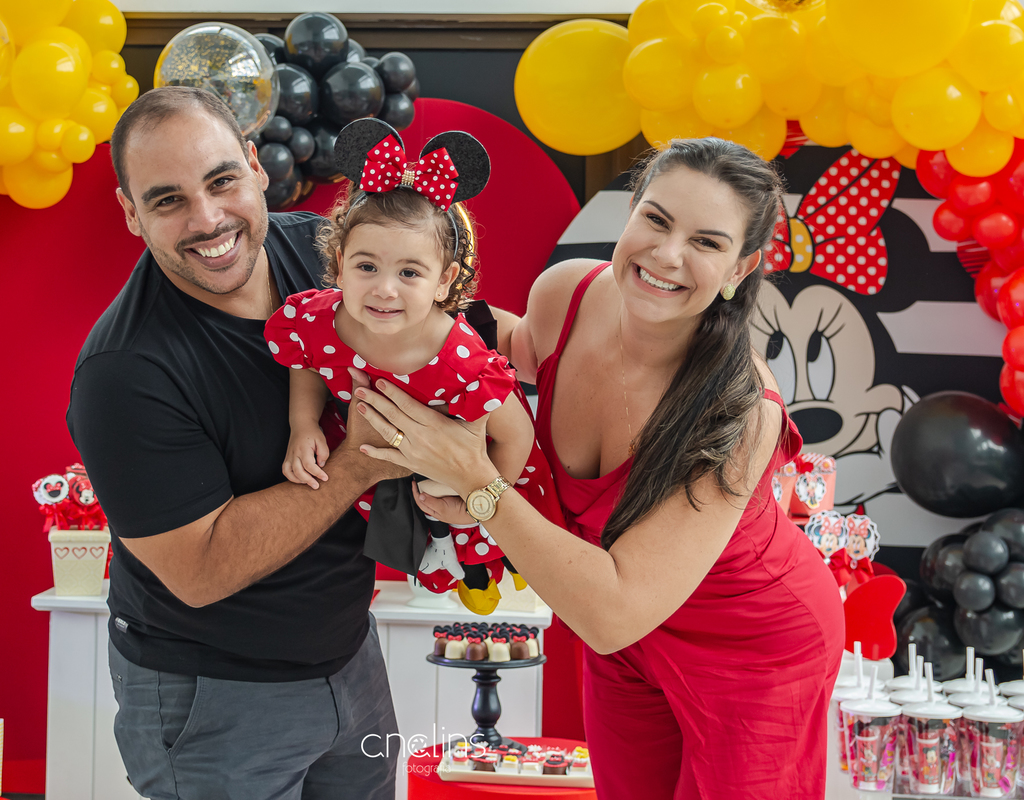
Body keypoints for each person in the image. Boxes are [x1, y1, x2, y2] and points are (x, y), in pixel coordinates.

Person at [351, 138, 846, 798]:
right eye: (657, 219)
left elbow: (613, 609)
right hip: (626, 642)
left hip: (751, 647)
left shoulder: (739, 411)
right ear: (632, 210)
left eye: (706, 242)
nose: (667, 255)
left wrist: (477, 485)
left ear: (741, 266)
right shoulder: (568, 294)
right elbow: (509, 349)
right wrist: (393, 302)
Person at [66, 86, 403, 800]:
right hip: (214, 696)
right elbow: (202, 568)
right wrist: (360, 462)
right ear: (132, 215)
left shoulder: (320, 249)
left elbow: (428, 333)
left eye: (222, 181)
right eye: (167, 200)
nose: (208, 219)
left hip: (350, 655)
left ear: (256, 166)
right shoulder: (124, 373)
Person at [263, 118, 561, 613]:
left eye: (409, 272)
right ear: (338, 264)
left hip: (466, 463)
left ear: (443, 282)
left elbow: (515, 436)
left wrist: (482, 502)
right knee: (412, 527)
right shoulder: (317, 319)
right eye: (366, 267)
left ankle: (482, 569)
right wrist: (302, 423)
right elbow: (307, 362)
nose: (384, 288)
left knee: (462, 531)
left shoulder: (458, 356)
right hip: (380, 460)